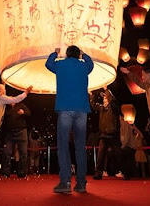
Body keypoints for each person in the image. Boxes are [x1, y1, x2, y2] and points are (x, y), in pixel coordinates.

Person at [45, 45, 94, 194]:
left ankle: (65, 182)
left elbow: (48, 64)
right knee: (80, 147)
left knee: (63, 145)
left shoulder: (60, 65)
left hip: (65, 109)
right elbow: (91, 64)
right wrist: (84, 55)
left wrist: (55, 53)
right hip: (82, 110)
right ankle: (81, 183)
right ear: (78, 55)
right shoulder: (84, 66)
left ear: (66, 54)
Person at [90, 87, 126, 180]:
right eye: (103, 99)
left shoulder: (113, 108)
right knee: (100, 155)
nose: (104, 100)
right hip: (103, 135)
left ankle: (125, 172)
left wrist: (106, 89)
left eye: (106, 98)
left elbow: (112, 100)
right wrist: (91, 95)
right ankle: (98, 173)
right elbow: (93, 105)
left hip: (113, 135)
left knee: (118, 154)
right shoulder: (101, 108)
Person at [1, 94, 32, 177]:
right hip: (10, 133)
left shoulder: (21, 105)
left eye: (12, 98)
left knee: (23, 153)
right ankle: (5, 172)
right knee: (6, 152)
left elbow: (29, 113)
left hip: (21, 132)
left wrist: (23, 112)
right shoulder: (6, 108)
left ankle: (22, 172)